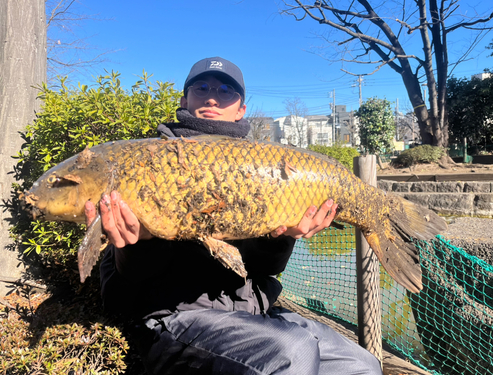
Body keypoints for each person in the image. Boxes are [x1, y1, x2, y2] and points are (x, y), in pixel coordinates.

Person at [85, 57, 382, 375]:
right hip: (174, 320)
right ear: (184, 100)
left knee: (361, 364)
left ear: (241, 108)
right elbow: (116, 297)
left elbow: (263, 268)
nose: (212, 96)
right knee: (291, 352)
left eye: (226, 90)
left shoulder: (263, 168)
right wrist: (139, 244)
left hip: (253, 315)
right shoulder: (145, 162)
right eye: (202, 87)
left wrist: (282, 235)